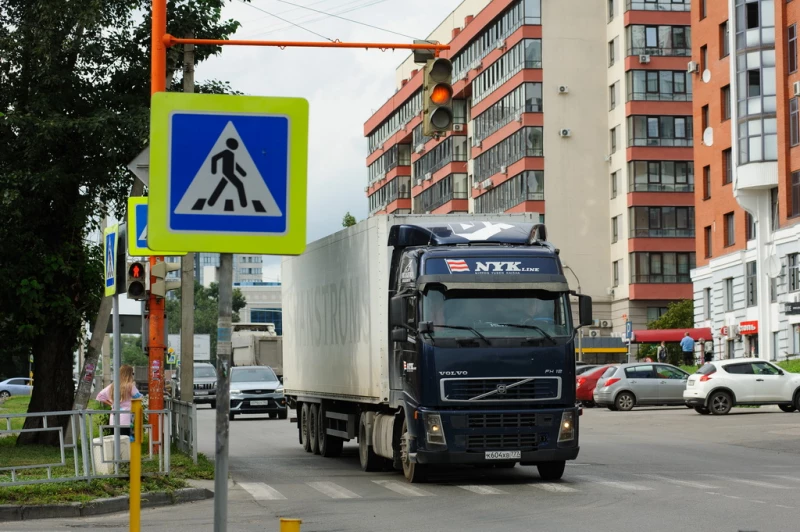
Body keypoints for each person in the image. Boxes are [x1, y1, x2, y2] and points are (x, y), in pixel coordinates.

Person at [96, 365, 141, 436]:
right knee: (125, 441)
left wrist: (111, 403)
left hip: (114, 418)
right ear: (129, 374)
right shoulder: (130, 385)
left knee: (116, 441)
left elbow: (100, 396)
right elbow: (138, 397)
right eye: (132, 374)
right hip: (126, 418)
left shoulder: (112, 386)